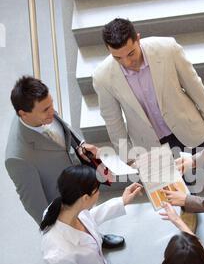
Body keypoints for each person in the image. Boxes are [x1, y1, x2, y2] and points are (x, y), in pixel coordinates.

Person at [5, 76, 124, 249]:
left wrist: (80, 145)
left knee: (88, 217)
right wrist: (57, 234)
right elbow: (34, 205)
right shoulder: (18, 158)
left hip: (77, 184)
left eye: (52, 104)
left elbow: (64, 128)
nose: (52, 112)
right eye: (46, 109)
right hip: (63, 204)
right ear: (23, 113)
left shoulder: (43, 111)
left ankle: (96, 235)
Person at [93, 17, 204, 163]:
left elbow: (194, 86)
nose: (126, 62)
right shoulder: (102, 77)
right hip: (149, 145)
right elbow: (113, 121)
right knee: (179, 183)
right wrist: (127, 158)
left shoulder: (168, 49)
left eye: (131, 54)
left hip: (187, 126)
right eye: (118, 58)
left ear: (138, 39)